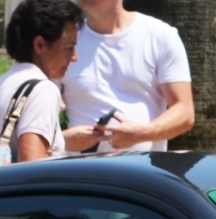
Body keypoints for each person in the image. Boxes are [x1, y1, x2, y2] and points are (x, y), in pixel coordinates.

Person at [61, 0, 193, 153]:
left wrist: (141, 134)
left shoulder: (160, 36)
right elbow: (41, 103)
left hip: (143, 172)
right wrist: (62, 140)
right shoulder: (65, 41)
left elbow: (185, 112)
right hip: (80, 173)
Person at [0, 0, 83, 167]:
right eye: (69, 47)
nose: (74, 57)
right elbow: (32, 173)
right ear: (40, 44)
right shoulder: (42, 90)